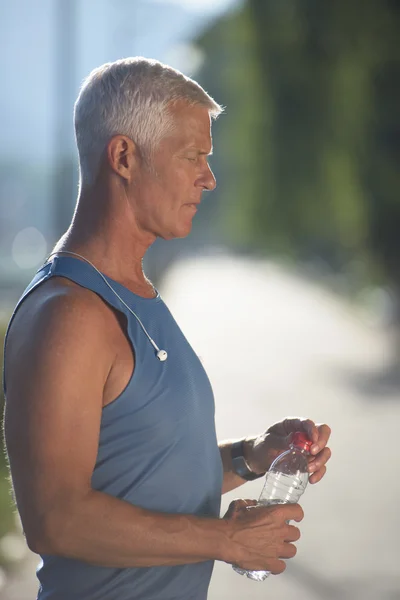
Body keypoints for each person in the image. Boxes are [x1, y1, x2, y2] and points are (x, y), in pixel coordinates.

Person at [3, 57, 331, 600]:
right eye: (193, 157)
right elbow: (56, 519)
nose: (209, 176)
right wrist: (226, 539)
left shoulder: (135, 296)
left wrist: (252, 456)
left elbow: (145, 472)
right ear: (125, 157)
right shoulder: (70, 314)